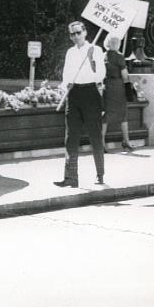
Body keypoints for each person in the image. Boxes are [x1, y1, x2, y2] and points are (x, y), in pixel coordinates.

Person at [54, 21, 106, 188]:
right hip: (74, 94)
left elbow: (100, 75)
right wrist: (66, 85)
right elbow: (66, 74)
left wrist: (90, 60)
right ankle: (71, 177)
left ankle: (100, 174)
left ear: (85, 32)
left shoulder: (95, 50)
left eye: (78, 32)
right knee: (71, 137)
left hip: (90, 93)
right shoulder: (70, 52)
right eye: (72, 34)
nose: (75, 36)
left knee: (95, 135)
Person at [101, 34, 133, 152]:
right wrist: (129, 89)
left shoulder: (103, 56)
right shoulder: (120, 56)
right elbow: (125, 75)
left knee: (106, 114)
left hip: (107, 86)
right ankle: (126, 141)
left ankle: (101, 143)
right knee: (123, 114)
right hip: (118, 87)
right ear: (117, 44)